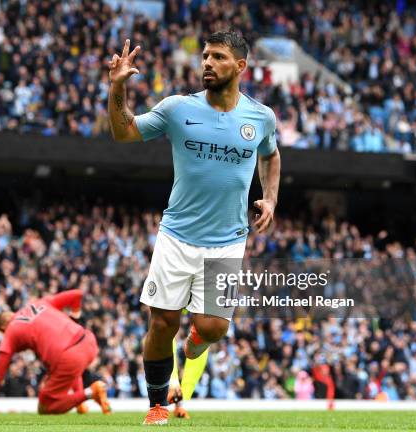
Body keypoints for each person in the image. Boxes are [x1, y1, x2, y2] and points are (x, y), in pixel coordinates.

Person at [108, 30, 281, 424]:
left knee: (214, 327)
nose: (207, 63)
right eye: (205, 55)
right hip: (177, 236)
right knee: (162, 322)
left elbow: (272, 156)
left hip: (227, 241)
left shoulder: (261, 117)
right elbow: (124, 131)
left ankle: (197, 340)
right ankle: (156, 403)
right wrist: (117, 89)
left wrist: (270, 197)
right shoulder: (177, 108)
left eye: (218, 57)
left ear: (239, 67)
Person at [0, 289, 111, 415]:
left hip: (69, 356)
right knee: (61, 368)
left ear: (2, 328)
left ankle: (92, 391)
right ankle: (80, 404)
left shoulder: (11, 330)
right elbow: (77, 294)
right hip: (89, 341)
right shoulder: (39, 303)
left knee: (45, 406)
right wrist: (75, 318)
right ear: (12, 313)